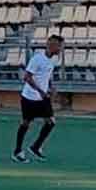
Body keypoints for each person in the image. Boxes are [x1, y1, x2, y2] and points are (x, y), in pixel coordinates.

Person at [12, 34, 64, 164]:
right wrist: (40, 91)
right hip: (29, 97)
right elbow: (27, 77)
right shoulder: (37, 59)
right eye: (60, 46)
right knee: (25, 123)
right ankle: (17, 151)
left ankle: (35, 147)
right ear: (52, 45)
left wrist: (51, 87)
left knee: (51, 122)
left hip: (43, 97)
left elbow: (47, 76)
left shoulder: (53, 60)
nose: (61, 49)